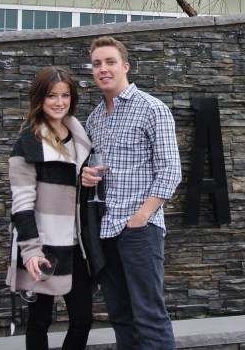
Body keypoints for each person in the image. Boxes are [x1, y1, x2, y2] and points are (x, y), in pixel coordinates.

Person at [80, 35, 182, 349]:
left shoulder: (152, 109)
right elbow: (93, 170)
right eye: (97, 63)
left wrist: (142, 216)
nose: (103, 69)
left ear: (125, 66)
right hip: (105, 231)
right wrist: (86, 176)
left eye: (110, 62)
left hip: (139, 229)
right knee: (121, 317)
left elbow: (170, 170)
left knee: (149, 316)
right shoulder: (94, 120)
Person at [7, 66, 94, 350]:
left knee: (83, 318)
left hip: (76, 244)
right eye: (52, 96)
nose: (59, 102)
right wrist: (30, 250)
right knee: (39, 321)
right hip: (42, 245)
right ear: (40, 99)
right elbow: (21, 203)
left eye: (65, 95)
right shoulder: (28, 144)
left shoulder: (82, 138)